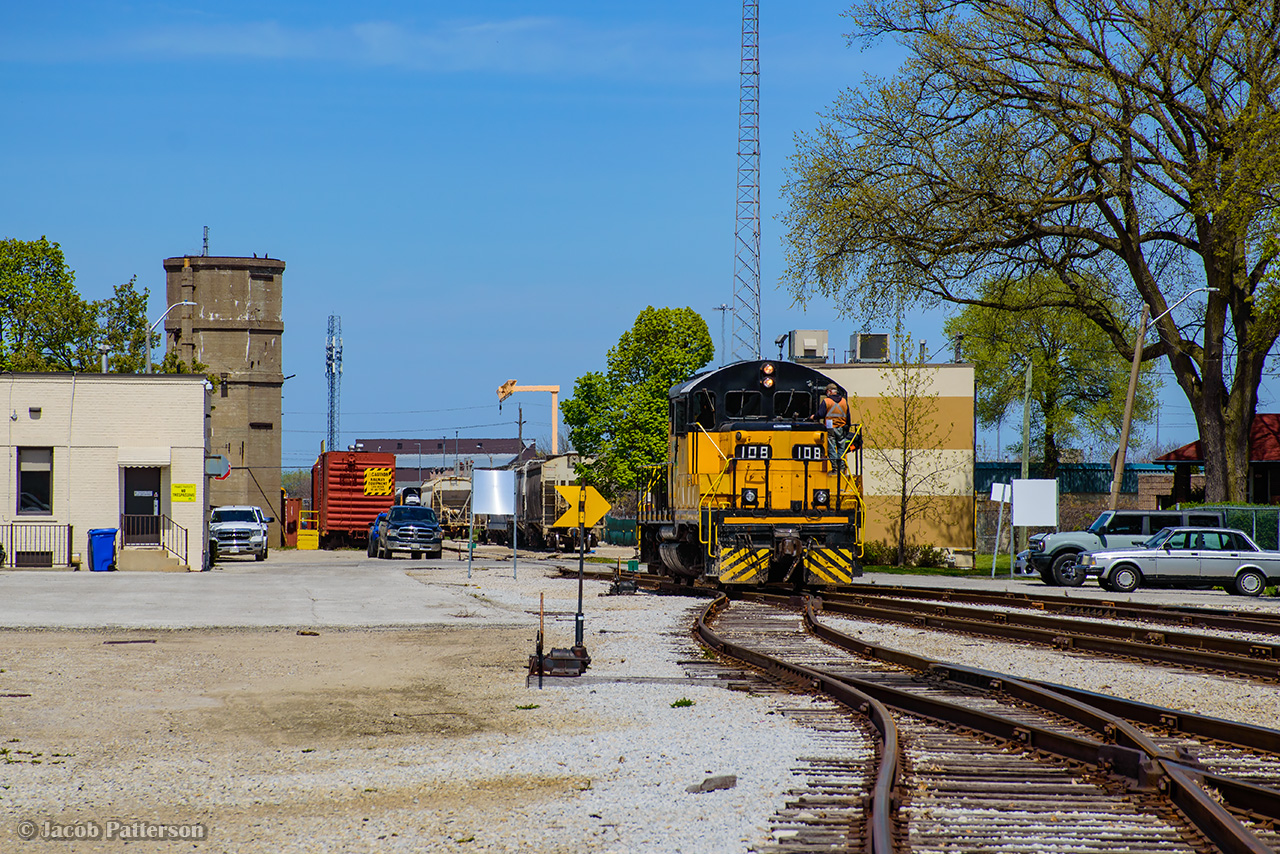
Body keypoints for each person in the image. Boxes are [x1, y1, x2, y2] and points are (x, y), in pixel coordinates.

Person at [815, 383, 851, 473]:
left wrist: (813, 417)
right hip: (842, 427)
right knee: (841, 448)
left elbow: (821, 414)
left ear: (830, 391)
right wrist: (847, 427)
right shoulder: (844, 401)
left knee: (831, 447)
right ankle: (842, 467)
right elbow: (848, 416)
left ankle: (835, 467)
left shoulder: (827, 401)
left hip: (830, 427)